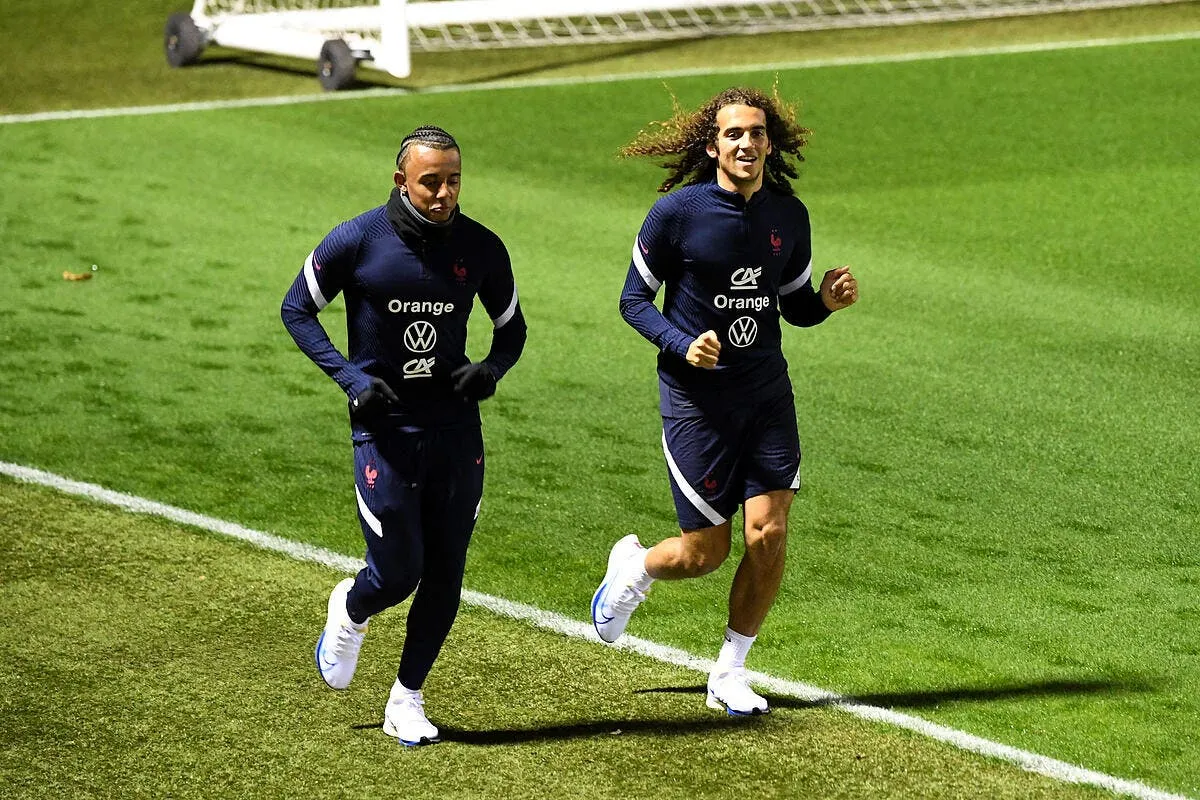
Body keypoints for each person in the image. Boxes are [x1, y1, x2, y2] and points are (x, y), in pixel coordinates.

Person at [591, 87, 858, 716]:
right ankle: (633, 570)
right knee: (702, 554)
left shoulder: (788, 216)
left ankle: (730, 672)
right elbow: (633, 301)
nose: (747, 143)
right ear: (712, 145)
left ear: (770, 142)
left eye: (757, 133)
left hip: (765, 393)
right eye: (733, 134)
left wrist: (824, 301)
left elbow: (792, 306)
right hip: (697, 403)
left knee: (768, 532)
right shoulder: (677, 214)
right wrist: (683, 345)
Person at [281, 125, 526, 745]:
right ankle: (352, 607)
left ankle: (407, 698)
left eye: (454, 180)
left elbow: (511, 329)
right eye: (431, 182)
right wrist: (348, 375)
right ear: (402, 181)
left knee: (446, 573)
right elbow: (296, 309)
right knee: (397, 572)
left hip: (454, 431)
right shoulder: (358, 240)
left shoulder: (481, 248)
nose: (444, 194)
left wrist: (491, 369)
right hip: (384, 432)